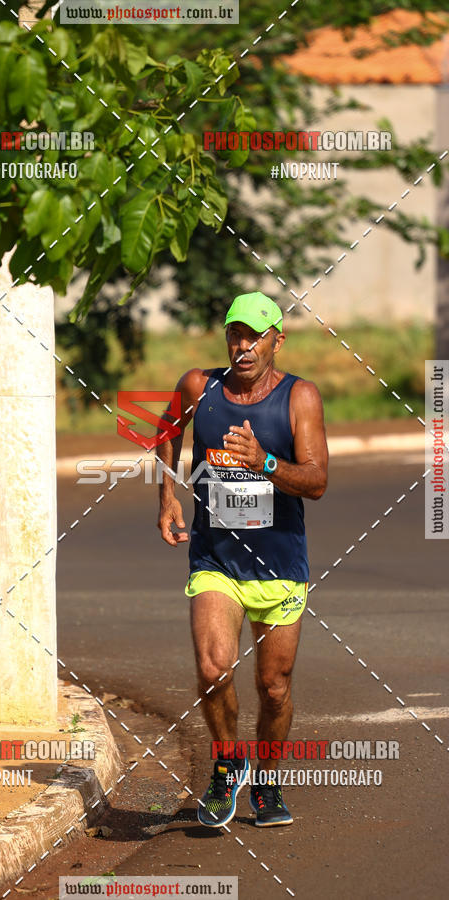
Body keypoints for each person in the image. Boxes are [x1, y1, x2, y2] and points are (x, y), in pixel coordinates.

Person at [156, 292, 328, 828]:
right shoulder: (198, 386)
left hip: (280, 566)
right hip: (216, 561)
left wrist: (266, 461)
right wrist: (168, 495)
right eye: (234, 334)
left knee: (273, 686)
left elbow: (317, 481)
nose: (243, 346)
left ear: (278, 338)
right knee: (212, 670)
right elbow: (166, 431)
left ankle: (268, 782)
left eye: (254, 335)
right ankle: (227, 766)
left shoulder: (300, 397)